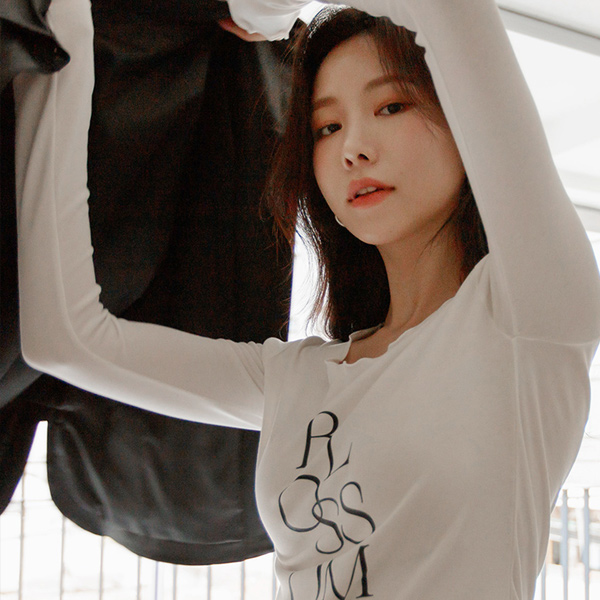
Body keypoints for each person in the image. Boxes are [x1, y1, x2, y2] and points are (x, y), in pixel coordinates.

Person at [13, 0, 600, 598]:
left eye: (391, 106)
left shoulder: (533, 316)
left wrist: (267, 8)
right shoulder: (302, 379)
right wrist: (60, 28)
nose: (353, 148)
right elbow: (65, 339)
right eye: (327, 128)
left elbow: (451, 11)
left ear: (463, 118)